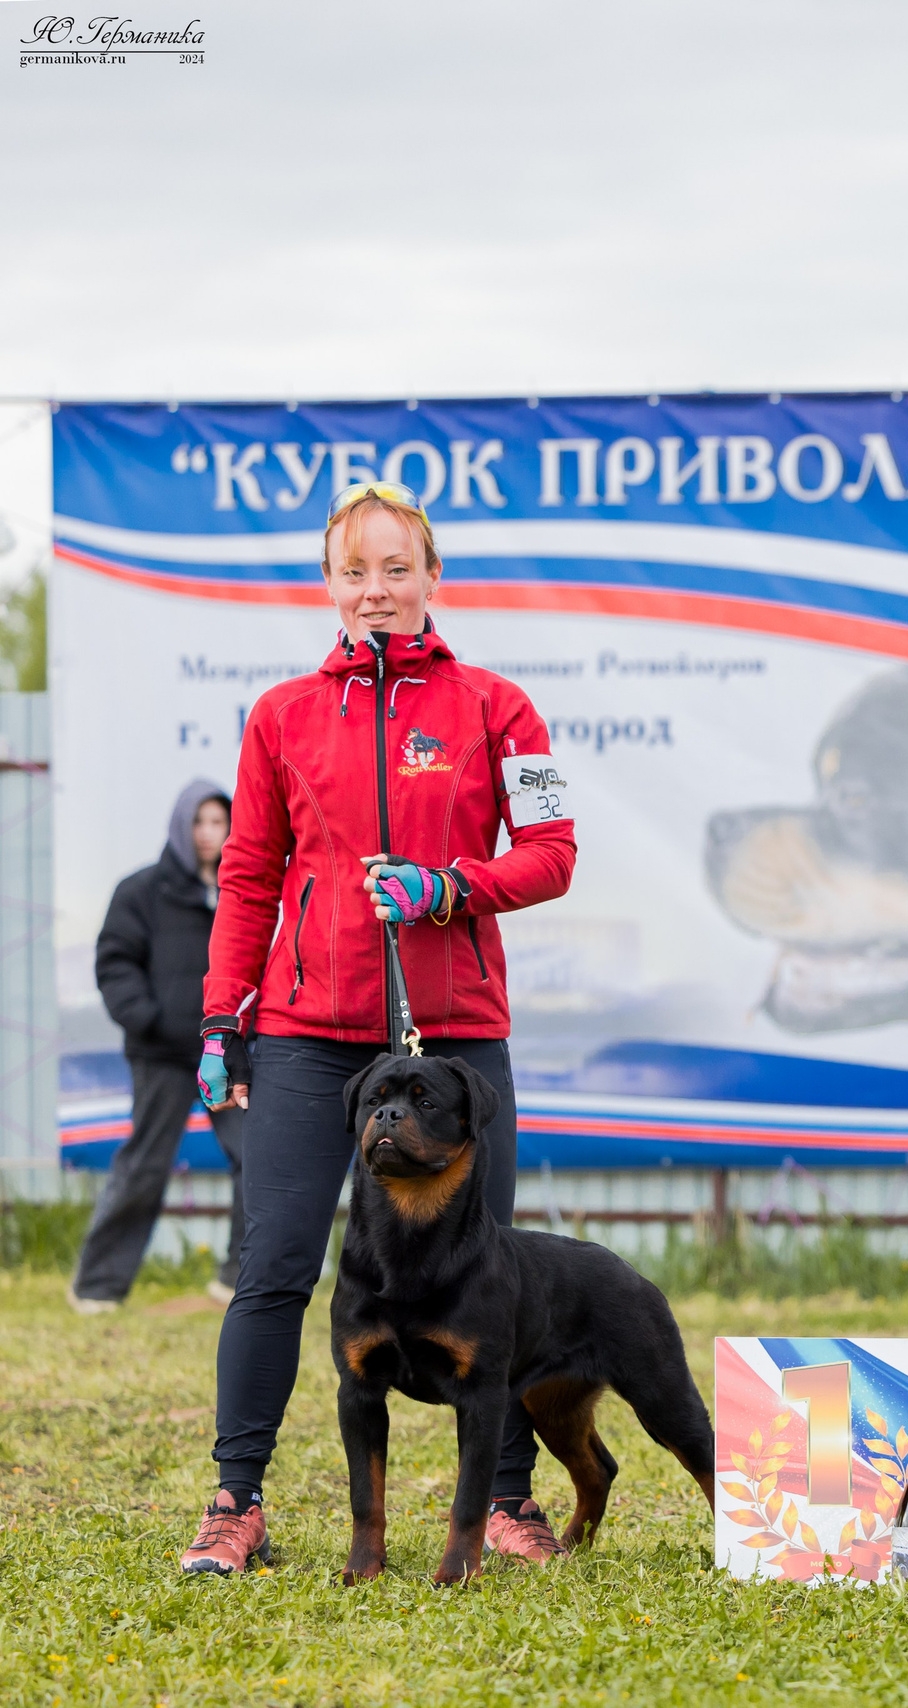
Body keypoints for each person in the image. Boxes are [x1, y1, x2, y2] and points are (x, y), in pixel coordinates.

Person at [177, 479, 579, 1578]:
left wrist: (450, 887)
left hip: (453, 1041)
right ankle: (234, 1501)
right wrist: (223, 1020)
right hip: (313, 1037)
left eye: (396, 568)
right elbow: (250, 879)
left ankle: (507, 1500)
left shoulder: (499, 706)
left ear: (431, 576)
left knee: (483, 1278)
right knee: (274, 1263)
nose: (376, 590)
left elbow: (553, 852)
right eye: (355, 570)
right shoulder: (280, 716)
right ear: (328, 584)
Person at [69, 782, 247, 1312]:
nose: (209, 834)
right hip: (161, 1055)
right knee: (145, 1165)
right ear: (180, 827)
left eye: (219, 822)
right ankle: (97, 1287)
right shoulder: (140, 891)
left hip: (226, 1051)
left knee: (254, 1158)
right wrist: (147, 1018)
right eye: (200, 822)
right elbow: (114, 962)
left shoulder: (242, 890)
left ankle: (241, 1277)